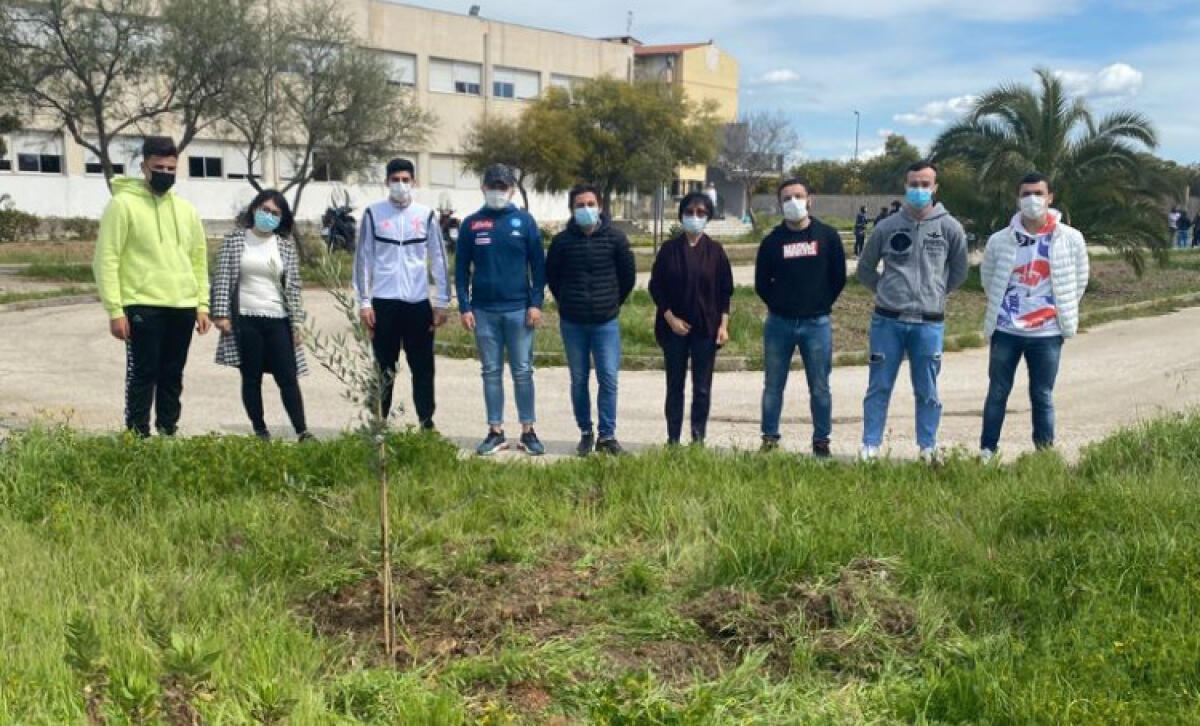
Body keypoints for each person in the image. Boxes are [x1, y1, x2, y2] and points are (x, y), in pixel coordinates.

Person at [93, 136, 211, 437]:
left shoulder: (186, 210)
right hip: (142, 304)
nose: (165, 174)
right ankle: (137, 436)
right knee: (143, 373)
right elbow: (106, 259)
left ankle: (168, 432)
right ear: (144, 167)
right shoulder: (122, 205)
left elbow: (198, 259)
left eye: (171, 169)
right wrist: (115, 310)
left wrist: (202, 304)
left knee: (173, 374)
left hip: (182, 305)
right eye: (158, 167)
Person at [857, 161, 969, 462]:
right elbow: (865, 269)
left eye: (925, 184)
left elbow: (959, 271)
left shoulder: (950, 228)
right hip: (887, 322)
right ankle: (870, 446)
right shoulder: (886, 227)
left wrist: (935, 293)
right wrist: (887, 291)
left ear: (935, 187)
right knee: (879, 386)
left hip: (928, 324)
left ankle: (927, 447)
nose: (919, 189)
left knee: (927, 389)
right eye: (913, 184)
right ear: (905, 186)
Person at [978, 172, 1088, 460]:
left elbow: (1079, 280)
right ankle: (988, 451)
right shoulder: (1000, 240)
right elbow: (988, 278)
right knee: (997, 392)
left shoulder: (1070, 239)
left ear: (1050, 197)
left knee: (1042, 395)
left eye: (1038, 193)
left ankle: (1044, 455)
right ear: (1018, 199)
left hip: (1047, 332)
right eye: (1026, 194)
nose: (1032, 199)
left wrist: (1059, 309)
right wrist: (1006, 308)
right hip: (1006, 330)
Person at [352, 158, 451, 429]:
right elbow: (363, 259)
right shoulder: (373, 213)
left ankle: (426, 422)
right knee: (383, 366)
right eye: (395, 180)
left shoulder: (425, 215)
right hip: (384, 303)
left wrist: (442, 301)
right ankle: (379, 423)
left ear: (413, 182)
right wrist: (364, 302)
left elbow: (438, 258)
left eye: (405, 180)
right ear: (387, 182)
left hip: (417, 303)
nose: (400, 185)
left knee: (423, 367)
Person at [455, 164, 546, 456]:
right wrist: (464, 306)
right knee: (491, 372)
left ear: (512, 190)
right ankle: (496, 432)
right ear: (483, 188)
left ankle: (528, 431)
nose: (498, 191)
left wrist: (536, 303)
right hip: (483, 311)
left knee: (523, 371)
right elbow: (461, 269)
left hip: (519, 310)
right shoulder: (471, 224)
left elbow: (538, 267)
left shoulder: (525, 221)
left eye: (503, 187)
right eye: (493, 186)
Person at [211, 190, 312, 441]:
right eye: (265, 210)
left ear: (282, 218)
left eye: (275, 213)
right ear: (254, 209)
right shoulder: (235, 240)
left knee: (288, 377)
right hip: (246, 318)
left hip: (278, 319)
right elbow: (222, 277)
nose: (269, 216)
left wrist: (297, 324)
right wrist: (221, 314)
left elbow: (294, 287)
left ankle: (302, 430)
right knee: (251, 377)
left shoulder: (285, 247)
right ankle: (260, 429)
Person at [755, 179, 846, 457]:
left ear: (810, 199)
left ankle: (821, 441)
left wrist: (819, 303)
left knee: (820, 387)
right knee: (773, 386)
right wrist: (780, 304)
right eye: (786, 198)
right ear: (779, 204)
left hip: (817, 324)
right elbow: (761, 283)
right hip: (779, 324)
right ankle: (769, 439)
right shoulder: (772, 241)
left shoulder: (827, 236)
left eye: (798, 196)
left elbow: (838, 277)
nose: (793, 202)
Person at [545, 184, 637, 456]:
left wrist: (611, 302)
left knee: (608, 378)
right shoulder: (561, 242)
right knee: (579, 379)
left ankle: (607, 435)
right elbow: (553, 278)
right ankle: (586, 432)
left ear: (600, 207)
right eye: (580, 205)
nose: (585, 209)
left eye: (590, 204)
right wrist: (567, 301)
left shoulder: (616, 239)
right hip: (573, 322)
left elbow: (628, 277)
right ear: (571, 210)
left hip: (605, 322)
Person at [648, 192, 734, 446]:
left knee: (702, 387)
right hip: (674, 329)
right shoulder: (669, 250)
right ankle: (673, 439)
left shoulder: (716, 251)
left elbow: (725, 291)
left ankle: (698, 439)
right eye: (689, 212)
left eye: (700, 213)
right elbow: (656, 287)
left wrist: (723, 326)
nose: (694, 217)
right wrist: (670, 318)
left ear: (708, 217)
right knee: (675, 386)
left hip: (706, 329)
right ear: (681, 215)